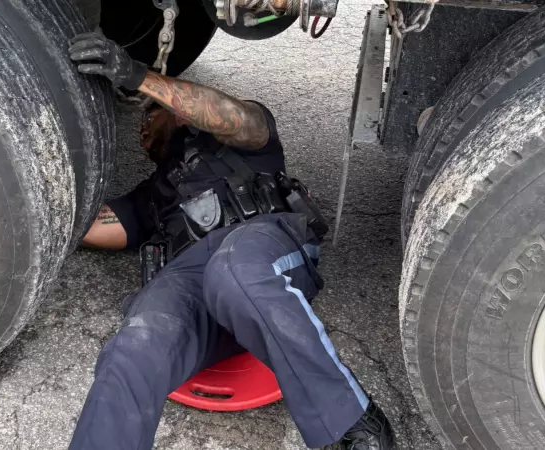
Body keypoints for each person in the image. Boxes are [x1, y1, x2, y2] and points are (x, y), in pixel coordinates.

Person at [67, 32, 396, 450]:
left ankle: (352, 424)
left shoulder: (247, 145)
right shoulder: (150, 195)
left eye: (150, 117)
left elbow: (235, 117)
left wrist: (137, 78)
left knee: (234, 271)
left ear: (179, 111)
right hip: (188, 276)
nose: (142, 132)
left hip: (259, 242)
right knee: (135, 341)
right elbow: (82, 226)